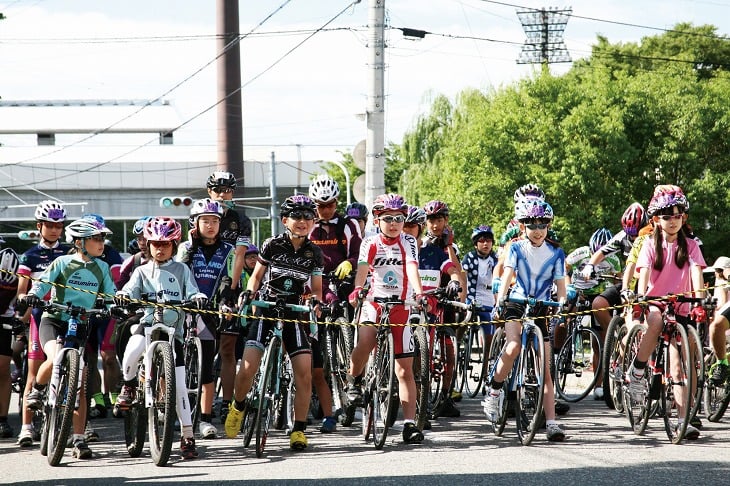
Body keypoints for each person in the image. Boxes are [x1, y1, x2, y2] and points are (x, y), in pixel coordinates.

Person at [224, 195, 323, 451]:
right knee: (247, 367)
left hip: (293, 311)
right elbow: (256, 277)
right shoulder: (271, 244)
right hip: (267, 308)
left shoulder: (315, 252)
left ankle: (299, 429)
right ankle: (239, 404)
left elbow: (316, 290)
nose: (302, 222)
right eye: (297, 217)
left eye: (308, 217)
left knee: (304, 371)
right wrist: (248, 292)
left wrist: (315, 302)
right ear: (285, 220)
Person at [20, 217, 116, 459]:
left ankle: (79, 439)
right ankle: (38, 391)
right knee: (54, 357)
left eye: (102, 238)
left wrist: (115, 304)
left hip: (81, 324)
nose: (101, 242)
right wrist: (33, 295)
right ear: (80, 242)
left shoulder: (101, 267)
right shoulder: (62, 262)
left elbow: (110, 294)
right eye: (96, 238)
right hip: (54, 321)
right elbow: (42, 285)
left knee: (80, 382)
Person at [114, 216, 207, 459]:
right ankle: (129, 385)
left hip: (172, 332)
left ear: (174, 245)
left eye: (166, 244)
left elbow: (193, 290)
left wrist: (197, 297)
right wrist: (124, 295)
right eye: (155, 243)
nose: (160, 248)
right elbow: (129, 289)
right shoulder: (142, 270)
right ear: (148, 244)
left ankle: (187, 435)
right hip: (147, 326)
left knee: (179, 386)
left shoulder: (182, 269)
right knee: (132, 350)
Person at [483, 197, 568, 442]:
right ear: (523, 227)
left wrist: (562, 302)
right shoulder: (516, 248)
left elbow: (560, 286)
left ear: (549, 225)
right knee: (513, 346)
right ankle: (495, 390)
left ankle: (552, 422)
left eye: (543, 224)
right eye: (532, 225)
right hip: (517, 302)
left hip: (542, 306)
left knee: (546, 368)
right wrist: (500, 298)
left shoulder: (556, 252)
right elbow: (508, 274)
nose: (538, 230)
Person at [345, 194, 427, 444]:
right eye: (388, 219)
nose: (394, 224)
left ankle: (409, 424)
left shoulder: (409, 241)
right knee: (367, 341)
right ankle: (354, 380)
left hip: (401, 305)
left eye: (399, 219)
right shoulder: (369, 242)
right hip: (374, 302)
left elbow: (412, 267)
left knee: (404, 370)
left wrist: (420, 292)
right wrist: (358, 289)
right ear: (377, 219)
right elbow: (361, 270)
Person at [628, 185, 705, 440]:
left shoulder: (691, 245)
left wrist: (699, 298)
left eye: (677, 215)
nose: (672, 221)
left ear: (684, 217)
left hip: (681, 305)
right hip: (656, 302)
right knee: (655, 320)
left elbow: (696, 272)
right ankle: (638, 369)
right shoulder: (651, 244)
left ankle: (683, 419)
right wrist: (641, 296)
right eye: (666, 216)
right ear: (656, 221)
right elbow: (645, 273)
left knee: (678, 363)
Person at [15, 200, 72, 447]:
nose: (54, 230)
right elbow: (21, 291)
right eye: (50, 225)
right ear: (39, 226)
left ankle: (73, 426)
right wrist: (22, 309)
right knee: (33, 372)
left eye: (59, 226)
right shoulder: (29, 255)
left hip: (67, 315)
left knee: (72, 370)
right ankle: (26, 427)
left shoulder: (68, 253)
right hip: (40, 318)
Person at [177, 199, 235, 439]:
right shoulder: (184, 247)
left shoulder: (228, 250)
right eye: (205, 221)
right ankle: (172, 411)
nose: (210, 225)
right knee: (176, 364)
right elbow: (178, 272)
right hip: (183, 311)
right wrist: (191, 246)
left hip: (209, 312)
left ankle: (206, 419)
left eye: (215, 221)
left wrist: (225, 303)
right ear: (195, 223)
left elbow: (227, 279)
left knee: (207, 368)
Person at [308, 174, 362, 433]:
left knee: (352, 321)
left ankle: (354, 380)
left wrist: (349, 263)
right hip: (316, 282)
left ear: (337, 203)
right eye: (320, 205)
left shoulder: (349, 225)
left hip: (343, 280)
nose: (325, 210)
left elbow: (359, 252)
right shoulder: (308, 225)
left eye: (329, 205)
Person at [206, 171, 253, 430]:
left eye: (227, 190)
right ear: (209, 192)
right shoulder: (200, 214)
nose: (222, 194)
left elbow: (240, 254)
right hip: (203, 281)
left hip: (229, 282)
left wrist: (232, 289)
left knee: (227, 349)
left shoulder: (240, 220)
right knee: (203, 346)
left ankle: (226, 402)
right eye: (217, 189)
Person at [563, 227, 621, 400]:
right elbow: (564, 267)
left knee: (600, 342)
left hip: (598, 294)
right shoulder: (581, 252)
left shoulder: (614, 259)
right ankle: (558, 351)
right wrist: (568, 286)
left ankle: (599, 385)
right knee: (565, 313)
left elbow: (619, 280)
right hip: (577, 290)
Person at [422, 200, 465, 412]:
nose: (435, 225)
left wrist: (448, 245)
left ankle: (446, 395)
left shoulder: (451, 246)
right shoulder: (420, 244)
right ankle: (422, 391)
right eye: (431, 220)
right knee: (424, 348)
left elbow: (458, 272)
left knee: (450, 350)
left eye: (439, 220)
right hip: (426, 301)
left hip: (447, 302)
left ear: (446, 221)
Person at [79, 214, 123, 424]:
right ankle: (98, 401)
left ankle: (113, 397)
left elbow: (116, 281)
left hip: (105, 312)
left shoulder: (111, 254)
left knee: (109, 356)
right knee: (88, 359)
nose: (98, 241)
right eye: (92, 236)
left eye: (100, 235)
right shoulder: (73, 256)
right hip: (84, 312)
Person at [588, 203, 648, 341]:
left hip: (647, 281)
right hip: (629, 281)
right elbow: (602, 251)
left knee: (634, 316)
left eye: (636, 233)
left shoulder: (651, 237)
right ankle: (616, 337)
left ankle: (632, 338)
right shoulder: (622, 236)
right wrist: (590, 265)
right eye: (630, 234)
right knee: (598, 304)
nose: (633, 238)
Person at [461, 225, 499, 377]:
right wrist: (463, 300)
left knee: (490, 332)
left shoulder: (496, 259)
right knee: (463, 320)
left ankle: (486, 369)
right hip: (472, 296)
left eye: (489, 240)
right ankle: (457, 344)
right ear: (476, 243)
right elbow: (463, 278)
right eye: (482, 240)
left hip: (489, 298)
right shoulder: (469, 257)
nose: (486, 244)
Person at [0, 248, 21, 439]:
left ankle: (3, 419)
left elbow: (14, 295)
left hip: (3, 317)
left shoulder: (9, 258)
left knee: (3, 368)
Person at [705, 256, 730, 385]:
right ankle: (722, 364)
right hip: (723, 327)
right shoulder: (722, 279)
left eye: (717, 270)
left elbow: (720, 303)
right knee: (716, 326)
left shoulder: (720, 281)